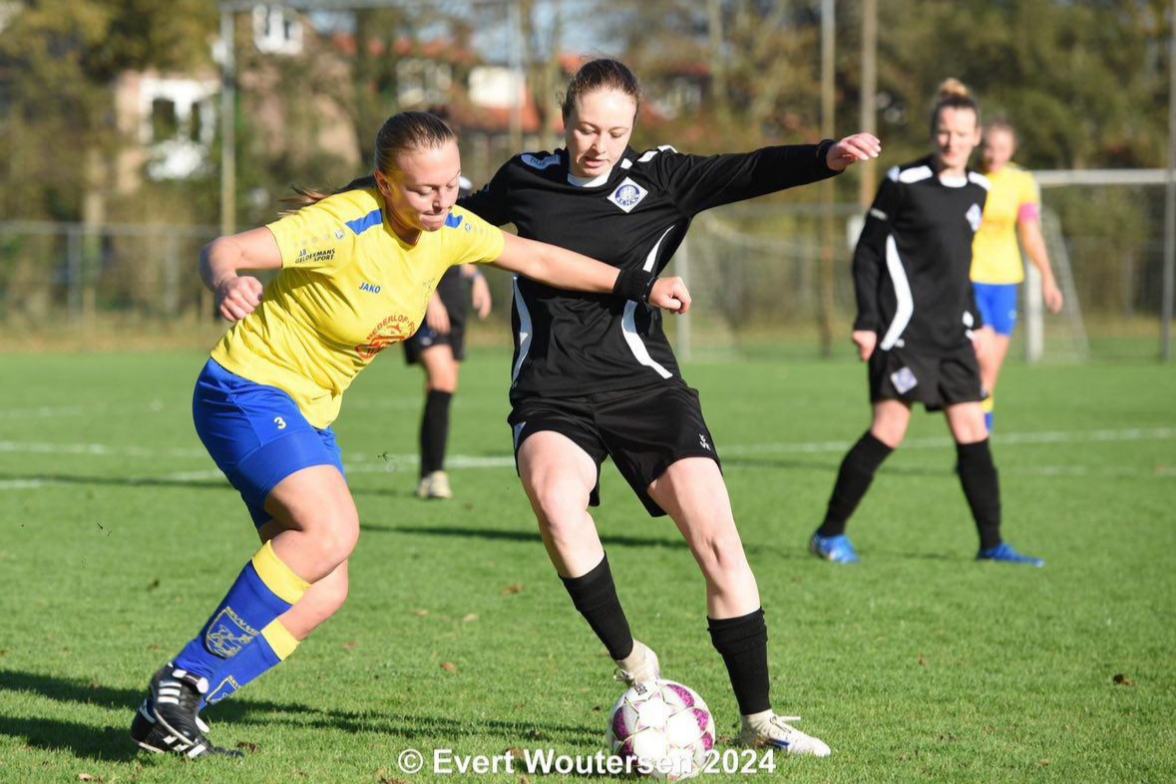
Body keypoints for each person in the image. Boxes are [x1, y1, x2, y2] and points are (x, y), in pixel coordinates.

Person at [129, 110, 691, 758]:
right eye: (426, 189)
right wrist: (227, 282)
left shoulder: (447, 227)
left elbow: (533, 256)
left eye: (452, 184)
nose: (444, 200)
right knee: (331, 531)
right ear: (385, 183)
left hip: (306, 411)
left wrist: (639, 285)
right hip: (245, 390)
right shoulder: (341, 224)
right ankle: (181, 680)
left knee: (325, 589)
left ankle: (173, 713)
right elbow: (224, 250)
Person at [460, 58, 879, 757]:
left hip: (646, 387)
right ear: (564, 120)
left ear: (634, 129)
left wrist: (823, 158)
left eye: (615, 132)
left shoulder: (661, 178)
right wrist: (362, 202)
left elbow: (746, 170)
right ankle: (636, 666)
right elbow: (444, 211)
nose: (598, 145)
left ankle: (760, 720)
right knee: (556, 504)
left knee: (718, 539)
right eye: (586, 129)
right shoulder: (524, 178)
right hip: (552, 389)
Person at [808, 79, 1044, 568]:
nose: (951, 141)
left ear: (976, 136)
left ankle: (992, 544)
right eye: (943, 132)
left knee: (973, 431)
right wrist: (868, 321)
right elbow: (868, 252)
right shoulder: (903, 183)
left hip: (953, 337)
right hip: (903, 334)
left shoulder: (980, 190)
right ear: (933, 132)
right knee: (889, 430)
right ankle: (829, 533)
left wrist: (975, 322)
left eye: (961, 133)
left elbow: (957, 266)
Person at [403, 176, 492, 500]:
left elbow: (457, 251)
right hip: (425, 303)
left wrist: (478, 278)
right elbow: (414, 251)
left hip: (455, 306)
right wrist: (430, 299)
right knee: (442, 380)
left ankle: (429, 473)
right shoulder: (420, 194)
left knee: (444, 386)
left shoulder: (462, 193)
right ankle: (434, 474)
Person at [971, 120, 1064, 431]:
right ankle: (975, 431)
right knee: (982, 355)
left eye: (1001, 148)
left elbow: (1031, 233)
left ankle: (979, 432)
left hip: (1006, 282)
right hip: (970, 279)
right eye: (988, 147)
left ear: (1011, 151)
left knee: (992, 368)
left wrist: (1048, 277)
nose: (993, 154)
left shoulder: (1022, 182)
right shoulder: (969, 178)